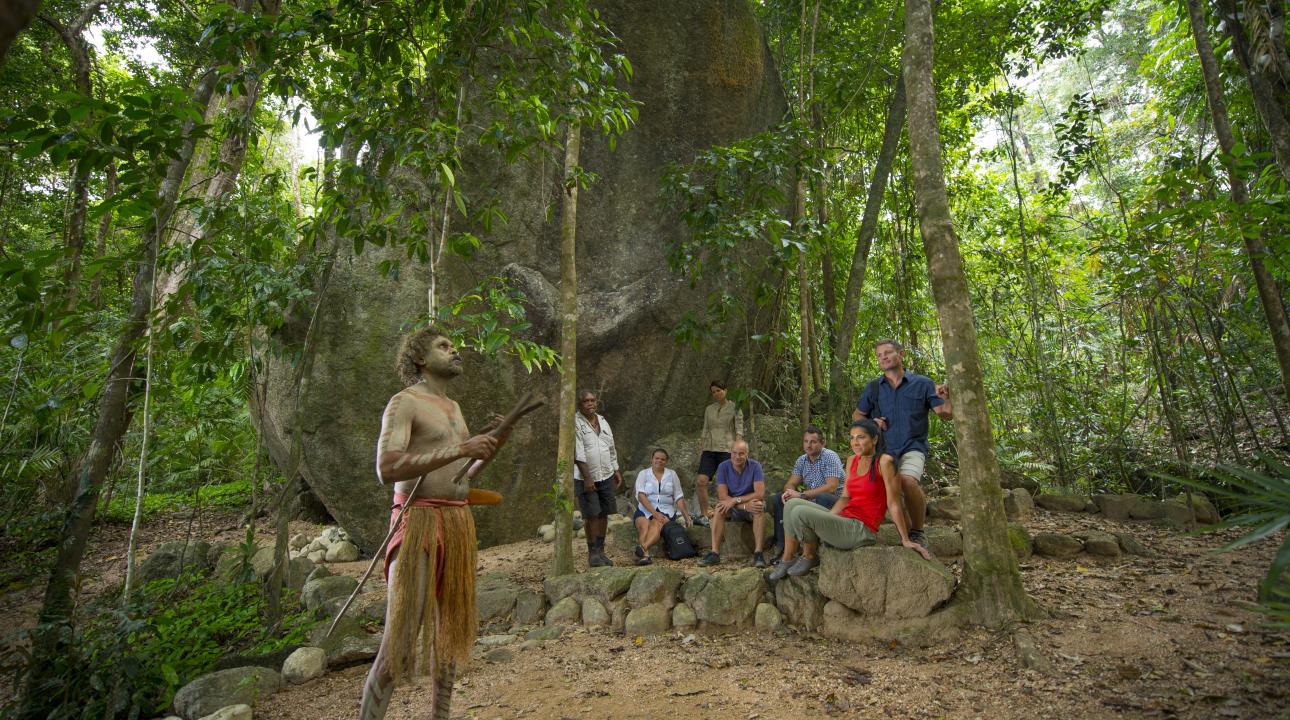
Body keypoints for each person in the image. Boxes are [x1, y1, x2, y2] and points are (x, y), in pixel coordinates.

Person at [360, 328, 502, 720]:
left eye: (455, 344)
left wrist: (491, 443)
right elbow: (386, 468)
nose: (455, 350)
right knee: (398, 648)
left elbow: (462, 475)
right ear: (420, 358)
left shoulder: (454, 408)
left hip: (457, 524)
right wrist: (462, 447)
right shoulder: (404, 403)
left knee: (450, 641)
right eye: (443, 345)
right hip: (418, 522)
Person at [768, 419, 930, 581]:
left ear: (874, 439)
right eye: (852, 438)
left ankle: (809, 556)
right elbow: (845, 497)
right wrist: (829, 519)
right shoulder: (852, 460)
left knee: (800, 512)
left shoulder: (885, 462)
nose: (855, 442)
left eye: (861, 437)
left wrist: (905, 539)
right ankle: (787, 559)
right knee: (792, 504)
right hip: (845, 519)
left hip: (861, 530)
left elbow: (894, 503)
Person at [852, 339, 952, 548]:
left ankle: (918, 531)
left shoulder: (923, 383)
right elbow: (857, 417)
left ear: (901, 354)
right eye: (880, 355)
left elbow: (945, 414)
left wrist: (947, 397)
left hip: (913, 446)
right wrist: (871, 423)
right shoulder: (873, 388)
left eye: (888, 353)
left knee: (907, 481)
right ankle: (907, 535)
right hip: (884, 451)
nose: (884, 357)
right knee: (891, 491)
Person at [768, 426, 842, 561]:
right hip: (812, 500)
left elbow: (831, 487)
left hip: (834, 501)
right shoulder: (802, 460)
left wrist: (802, 495)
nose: (809, 445)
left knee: (822, 496)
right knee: (779, 499)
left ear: (822, 443)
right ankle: (782, 546)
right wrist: (790, 492)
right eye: (806, 441)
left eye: (813, 442)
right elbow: (790, 483)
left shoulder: (830, 456)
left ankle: (822, 544)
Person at [698, 439, 768, 567]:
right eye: (734, 453)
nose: (737, 456)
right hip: (736, 507)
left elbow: (759, 493)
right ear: (730, 453)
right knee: (719, 509)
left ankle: (758, 553)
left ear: (747, 454)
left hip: (747, 505)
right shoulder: (723, 467)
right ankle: (714, 553)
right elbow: (723, 497)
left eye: (741, 453)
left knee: (758, 506)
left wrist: (737, 500)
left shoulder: (755, 466)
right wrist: (743, 505)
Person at [574, 389, 623, 567]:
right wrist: (587, 478)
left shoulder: (602, 420)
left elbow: (610, 446)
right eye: (586, 401)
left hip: (606, 474)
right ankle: (592, 553)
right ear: (580, 404)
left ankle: (601, 551)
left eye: (592, 400)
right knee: (591, 515)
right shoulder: (576, 423)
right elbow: (577, 452)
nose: (590, 404)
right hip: (586, 477)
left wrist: (616, 469)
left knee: (603, 513)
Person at [694, 380, 744, 526]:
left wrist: (738, 449)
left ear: (725, 390)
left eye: (719, 390)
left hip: (727, 449)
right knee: (701, 481)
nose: (716, 394)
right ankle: (704, 515)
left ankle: (728, 513)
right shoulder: (709, 409)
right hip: (709, 449)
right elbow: (705, 428)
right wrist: (701, 446)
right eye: (714, 392)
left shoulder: (735, 407)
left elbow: (739, 430)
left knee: (725, 484)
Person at [632, 447, 692, 565]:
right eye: (657, 458)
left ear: (666, 461)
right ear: (652, 459)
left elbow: (679, 497)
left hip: (666, 510)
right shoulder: (643, 474)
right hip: (645, 509)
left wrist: (686, 516)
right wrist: (654, 513)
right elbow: (641, 496)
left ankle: (643, 548)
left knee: (656, 523)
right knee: (644, 525)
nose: (659, 461)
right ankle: (646, 556)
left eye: (662, 459)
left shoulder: (672, 474)